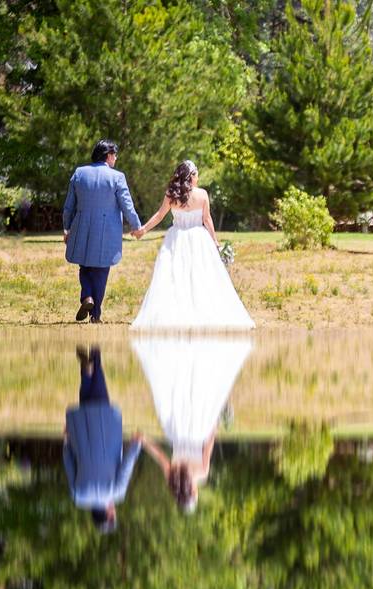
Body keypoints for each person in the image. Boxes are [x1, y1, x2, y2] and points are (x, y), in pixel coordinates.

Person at [130, 160, 254, 330]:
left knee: (175, 276)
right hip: (199, 239)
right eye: (197, 174)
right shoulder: (202, 194)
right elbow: (207, 219)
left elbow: (159, 216)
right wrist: (215, 241)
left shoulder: (172, 193)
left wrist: (143, 230)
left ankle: (174, 314)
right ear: (191, 176)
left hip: (176, 238)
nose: (198, 178)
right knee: (200, 275)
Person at [133, 336, 252, 512]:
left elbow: (209, 444)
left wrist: (214, 422)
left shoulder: (202, 473)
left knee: (199, 395)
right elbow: (159, 455)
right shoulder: (172, 475)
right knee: (182, 394)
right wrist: (143, 440)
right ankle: (185, 358)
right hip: (177, 429)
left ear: (193, 493)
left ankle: (200, 359)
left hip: (198, 429)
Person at [63, 345, 142, 533]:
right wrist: (66, 440)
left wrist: (136, 445)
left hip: (106, 437)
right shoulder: (78, 496)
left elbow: (126, 467)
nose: (115, 510)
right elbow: (68, 464)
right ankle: (87, 371)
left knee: (100, 395)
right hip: (81, 437)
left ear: (109, 514)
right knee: (86, 402)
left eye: (114, 514)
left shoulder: (116, 493)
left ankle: (96, 354)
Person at [63, 139, 143, 324]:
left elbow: (69, 206)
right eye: (115, 155)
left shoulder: (79, 173)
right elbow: (127, 205)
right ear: (108, 156)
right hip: (107, 231)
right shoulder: (117, 177)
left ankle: (87, 297)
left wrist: (67, 228)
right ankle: (95, 314)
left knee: (84, 266)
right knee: (101, 271)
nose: (116, 158)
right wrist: (136, 226)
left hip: (81, 227)